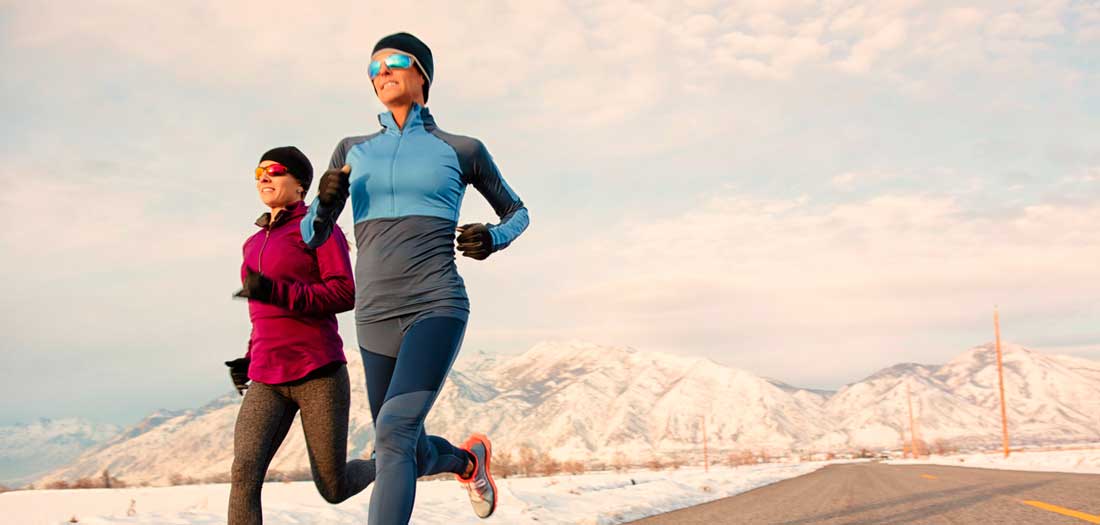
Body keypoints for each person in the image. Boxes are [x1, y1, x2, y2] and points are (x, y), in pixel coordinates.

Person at [301, 32, 529, 524]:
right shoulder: (351, 149)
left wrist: (493, 237)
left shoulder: (461, 148)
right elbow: (311, 236)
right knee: (395, 445)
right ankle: (469, 462)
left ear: (421, 73)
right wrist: (325, 200)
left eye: (394, 62)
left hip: (436, 303)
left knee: (394, 431)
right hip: (375, 315)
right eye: (373, 68)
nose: (381, 73)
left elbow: (518, 211)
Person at [226, 146, 375, 525]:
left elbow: (344, 292)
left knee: (333, 486)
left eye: (273, 171)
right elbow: (260, 313)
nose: (263, 177)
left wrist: (279, 292)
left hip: (317, 372)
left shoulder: (318, 228)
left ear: (300, 185)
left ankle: (388, 463)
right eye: (258, 171)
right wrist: (249, 356)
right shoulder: (252, 244)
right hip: (267, 378)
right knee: (244, 474)